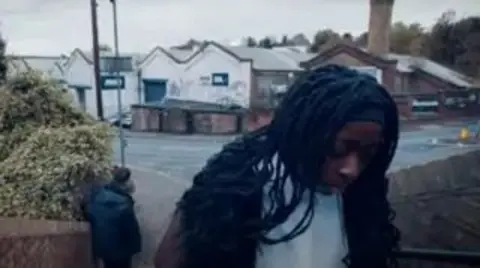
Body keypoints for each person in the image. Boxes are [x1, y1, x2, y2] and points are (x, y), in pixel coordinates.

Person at [154, 65, 401, 268]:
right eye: (340, 148)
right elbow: (168, 261)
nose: (351, 169)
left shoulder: (362, 199)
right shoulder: (232, 183)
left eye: (368, 154)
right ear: (308, 132)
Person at [86, 166, 142, 268]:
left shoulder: (98, 195)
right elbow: (131, 230)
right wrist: (136, 248)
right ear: (124, 184)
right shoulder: (124, 205)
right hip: (121, 252)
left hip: (103, 249)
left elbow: (91, 216)